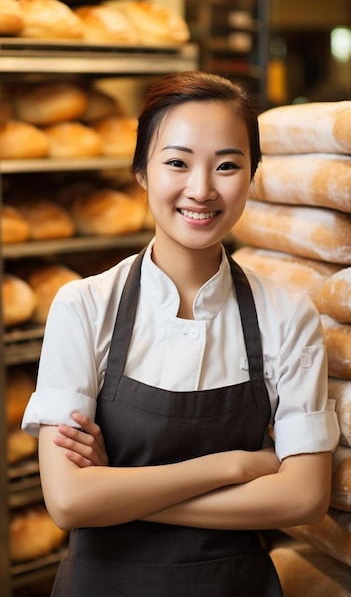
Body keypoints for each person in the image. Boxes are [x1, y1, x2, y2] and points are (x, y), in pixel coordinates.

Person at [22, 71, 340, 597]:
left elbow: (303, 499)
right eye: (176, 161)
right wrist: (235, 465)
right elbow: (68, 503)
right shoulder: (83, 306)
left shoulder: (288, 315)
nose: (201, 189)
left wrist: (119, 495)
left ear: (252, 175)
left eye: (227, 165)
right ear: (141, 171)